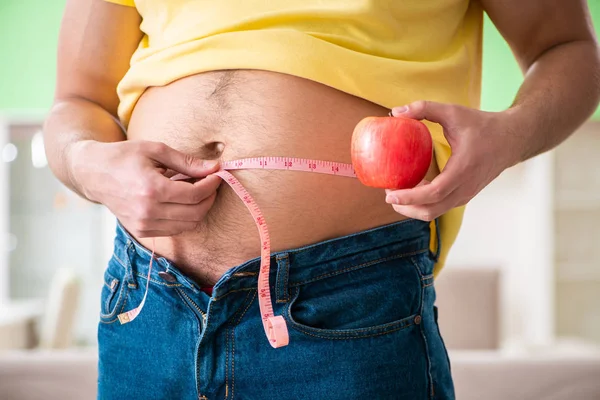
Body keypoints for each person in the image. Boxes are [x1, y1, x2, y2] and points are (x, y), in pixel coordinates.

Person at [43, 0, 600, 398]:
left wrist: (510, 136)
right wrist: (86, 164)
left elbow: (568, 49)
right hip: (147, 303)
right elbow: (77, 100)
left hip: (350, 299)